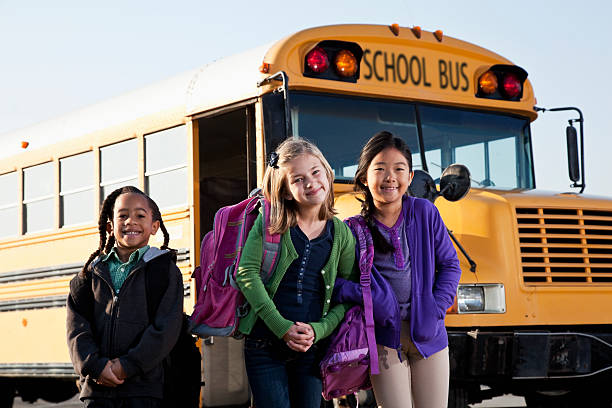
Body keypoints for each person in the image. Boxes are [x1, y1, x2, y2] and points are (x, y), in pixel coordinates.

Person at [333, 131, 461, 408]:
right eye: (379, 169)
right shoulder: (352, 230)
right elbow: (337, 283)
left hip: (430, 336)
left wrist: (436, 308)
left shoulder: (426, 213)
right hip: (383, 339)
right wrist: (370, 299)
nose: (390, 177)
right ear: (365, 178)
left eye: (399, 169)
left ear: (410, 177)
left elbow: (450, 265)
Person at [235, 137, 357, 408]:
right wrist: (282, 328)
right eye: (299, 179)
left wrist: (320, 329)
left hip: (311, 348)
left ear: (327, 173)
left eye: (316, 172)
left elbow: (347, 292)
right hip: (264, 345)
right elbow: (246, 273)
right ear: (287, 191)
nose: (311, 182)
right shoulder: (271, 223)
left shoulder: (341, 234)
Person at [66, 186, 184, 408]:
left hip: (144, 390)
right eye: (123, 215)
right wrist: (96, 366)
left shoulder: (163, 271)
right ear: (110, 226)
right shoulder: (90, 274)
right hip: (97, 390)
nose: (131, 221)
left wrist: (126, 366)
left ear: (154, 226)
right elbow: (77, 328)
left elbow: (166, 329)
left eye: (140, 215)